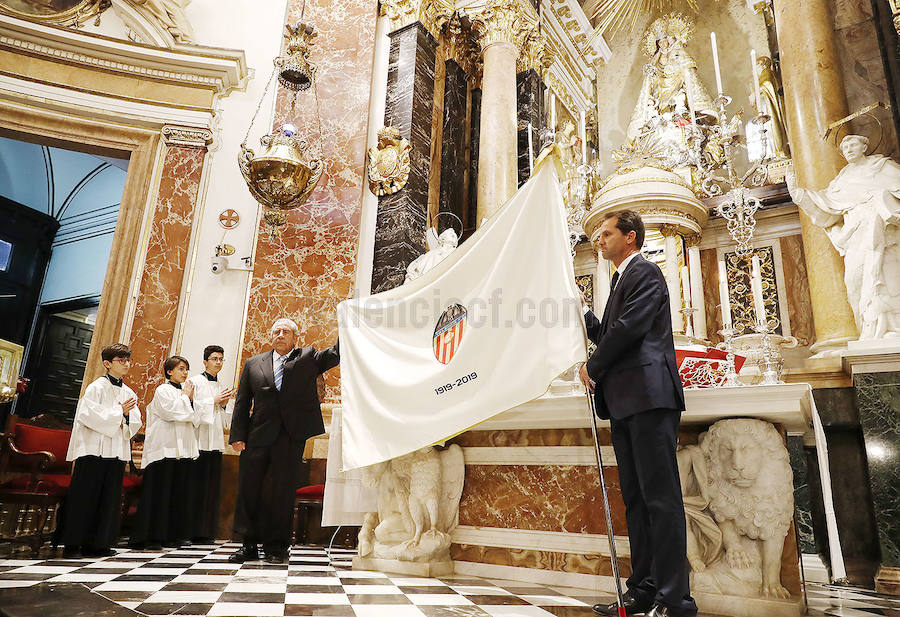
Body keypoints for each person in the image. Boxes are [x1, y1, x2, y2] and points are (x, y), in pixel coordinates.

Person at [580, 210, 697, 617]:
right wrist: (584, 316)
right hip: (626, 401)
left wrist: (591, 367)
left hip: (649, 397)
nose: (599, 239)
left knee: (661, 501)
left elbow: (629, 329)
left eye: (606, 233)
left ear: (630, 238)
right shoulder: (619, 280)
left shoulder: (645, 272)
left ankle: (675, 600)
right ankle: (643, 589)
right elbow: (614, 330)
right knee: (636, 500)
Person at [229, 318, 339, 564]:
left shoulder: (307, 358)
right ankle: (247, 546)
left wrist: (349, 323)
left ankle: (276, 548)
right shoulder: (253, 363)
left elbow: (336, 353)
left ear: (294, 337)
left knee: (282, 493)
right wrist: (237, 436)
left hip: (289, 438)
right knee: (249, 491)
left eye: (285, 331)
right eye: (276, 331)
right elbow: (242, 401)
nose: (280, 335)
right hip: (256, 437)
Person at [787, 134, 900, 339]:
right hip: (855, 236)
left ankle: (890, 328)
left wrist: (881, 199)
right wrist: (799, 194)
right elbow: (827, 208)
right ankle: (868, 329)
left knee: (886, 276)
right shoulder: (843, 179)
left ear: (864, 146)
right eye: (844, 146)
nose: (848, 149)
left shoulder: (883, 167)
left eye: (852, 144)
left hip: (884, 235)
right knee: (854, 282)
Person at [61, 343, 141, 558]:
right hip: (93, 450)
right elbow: (88, 416)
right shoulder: (96, 387)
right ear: (107, 363)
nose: (126, 364)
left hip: (115, 451)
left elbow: (136, 421)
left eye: (127, 360)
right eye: (121, 360)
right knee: (86, 497)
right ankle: (74, 543)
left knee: (109, 498)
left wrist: (125, 416)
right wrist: (119, 412)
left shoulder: (128, 391)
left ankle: (100, 543)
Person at [131, 355, 201, 549]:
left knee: (177, 493)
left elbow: (196, 418)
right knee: (159, 493)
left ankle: (172, 534)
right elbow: (171, 413)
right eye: (180, 368)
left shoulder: (187, 392)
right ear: (169, 371)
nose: (185, 372)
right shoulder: (163, 390)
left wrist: (192, 401)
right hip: (164, 449)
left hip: (182, 449)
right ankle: (152, 536)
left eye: (186, 369)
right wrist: (187, 399)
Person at [186, 345, 235, 543]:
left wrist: (224, 404)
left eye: (221, 359)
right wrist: (213, 401)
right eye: (214, 358)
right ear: (205, 362)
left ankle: (206, 532)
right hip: (197, 442)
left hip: (214, 442)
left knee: (210, 488)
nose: (218, 362)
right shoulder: (193, 382)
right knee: (194, 488)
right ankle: (190, 531)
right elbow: (188, 409)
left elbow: (225, 420)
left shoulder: (220, 384)